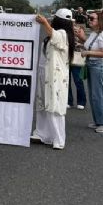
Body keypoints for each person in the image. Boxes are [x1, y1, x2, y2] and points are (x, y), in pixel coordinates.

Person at [31, 8, 75, 150]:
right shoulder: (60, 33)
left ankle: (58, 138)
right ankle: (43, 134)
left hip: (55, 76)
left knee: (54, 105)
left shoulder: (63, 34)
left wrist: (44, 22)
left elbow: (53, 35)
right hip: (45, 72)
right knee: (42, 103)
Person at [82, 11, 103, 133]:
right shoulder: (95, 33)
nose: (89, 20)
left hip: (99, 66)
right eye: (89, 18)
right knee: (94, 95)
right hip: (92, 65)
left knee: (100, 95)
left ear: (100, 20)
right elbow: (90, 46)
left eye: (92, 18)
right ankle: (98, 121)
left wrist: (88, 53)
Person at [68, 23, 87, 110]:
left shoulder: (79, 29)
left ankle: (81, 101)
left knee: (78, 81)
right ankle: (69, 101)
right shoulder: (64, 29)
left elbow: (85, 42)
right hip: (66, 57)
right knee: (66, 81)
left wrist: (77, 34)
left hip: (76, 58)